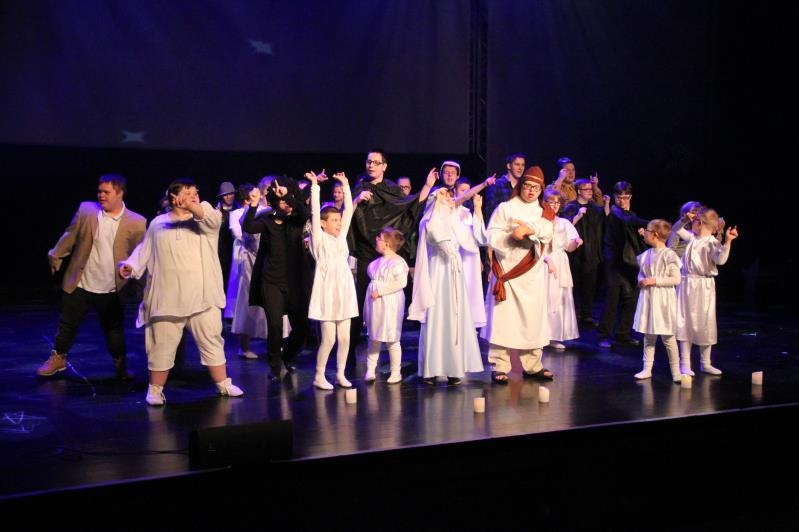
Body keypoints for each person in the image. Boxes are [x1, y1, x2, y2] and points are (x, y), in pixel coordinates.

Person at [119, 178, 244, 406]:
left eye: (195, 192)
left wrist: (191, 206)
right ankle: (155, 390)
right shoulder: (158, 223)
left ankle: (224, 384)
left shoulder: (206, 214)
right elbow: (145, 250)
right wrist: (131, 265)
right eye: (187, 193)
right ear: (173, 197)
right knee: (161, 345)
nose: (193, 196)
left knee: (211, 341)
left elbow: (210, 220)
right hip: (167, 297)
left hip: (202, 296)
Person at [38, 174, 146, 380]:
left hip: (112, 287)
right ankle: (58, 358)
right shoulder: (87, 210)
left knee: (113, 330)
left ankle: (121, 366)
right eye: (99, 191)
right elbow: (70, 235)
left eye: (106, 192)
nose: (101, 195)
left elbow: (141, 254)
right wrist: (56, 255)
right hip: (81, 282)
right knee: (67, 324)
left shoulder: (137, 222)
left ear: (120, 193)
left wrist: (142, 284)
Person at [347, 149, 435, 369]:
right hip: (367, 252)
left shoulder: (392, 190)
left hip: (387, 254)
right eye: (369, 161)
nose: (371, 165)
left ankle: (396, 357)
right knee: (359, 303)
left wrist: (427, 186)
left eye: (376, 162)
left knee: (391, 302)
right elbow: (348, 215)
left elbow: (409, 208)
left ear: (384, 166)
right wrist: (356, 200)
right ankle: (349, 357)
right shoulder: (360, 187)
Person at [481, 166, 555, 384]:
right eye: (527, 186)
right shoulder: (506, 208)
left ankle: (533, 365)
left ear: (541, 190)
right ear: (520, 186)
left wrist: (530, 230)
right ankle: (499, 365)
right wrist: (511, 237)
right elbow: (491, 234)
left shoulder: (544, 212)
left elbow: (548, 231)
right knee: (503, 320)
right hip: (507, 272)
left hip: (531, 275)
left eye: (536, 188)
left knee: (532, 320)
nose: (531, 191)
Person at [409, 187, 483, 385]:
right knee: (438, 316)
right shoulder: (429, 219)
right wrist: (438, 201)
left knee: (454, 316)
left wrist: (477, 210)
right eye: (445, 197)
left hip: (454, 273)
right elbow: (435, 234)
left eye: (451, 197)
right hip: (438, 272)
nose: (450, 200)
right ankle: (432, 369)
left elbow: (476, 240)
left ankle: (453, 368)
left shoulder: (455, 221)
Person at [242, 176, 310, 380]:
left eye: (288, 200)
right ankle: (274, 367)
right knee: (275, 326)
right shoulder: (268, 221)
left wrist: (287, 195)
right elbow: (248, 227)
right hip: (271, 282)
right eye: (280, 201)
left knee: (302, 329)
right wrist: (253, 205)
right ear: (273, 202)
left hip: (295, 283)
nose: (285, 204)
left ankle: (287, 355)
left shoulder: (297, 221)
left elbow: (304, 213)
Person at [306, 170, 359, 390]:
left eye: (339, 220)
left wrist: (346, 185)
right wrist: (315, 186)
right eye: (334, 220)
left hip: (344, 289)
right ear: (323, 223)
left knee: (345, 338)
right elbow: (314, 213)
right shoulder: (319, 239)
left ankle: (340, 373)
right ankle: (319, 375)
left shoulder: (341, 237)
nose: (338, 223)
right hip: (327, 290)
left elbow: (349, 212)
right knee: (329, 338)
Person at [675, 207, 738, 375]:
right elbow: (676, 230)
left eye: (695, 221)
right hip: (687, 283)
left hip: (704, 286)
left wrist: (728, 242)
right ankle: (685, 364)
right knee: (685, 322)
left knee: (705, 322)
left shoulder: (712, 242)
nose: (692, 224)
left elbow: (721, 260)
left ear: (701, 223)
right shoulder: (692, 238)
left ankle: (705, 363)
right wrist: (684, 219)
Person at [597, 181, 649, 349]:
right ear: (614, 197)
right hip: (614, 261)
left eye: (626, 197)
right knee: (612, 299)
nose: (622, 200)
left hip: (629, 262)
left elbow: (633, 233)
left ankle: (623, 334)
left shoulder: (631, 214)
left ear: (630, 197)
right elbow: (628, 221)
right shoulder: (614, 212)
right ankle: (604, 335)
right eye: (619, 197)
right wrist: (651, 224)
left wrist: (641, 233)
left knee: (630, 298)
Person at [632, 219, 682, 382]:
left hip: (663, 300)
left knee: (668, 337)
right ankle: (647, 369)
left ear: (654, 234)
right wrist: (641, 280)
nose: (644, 233)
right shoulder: (647, 254)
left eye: (647, 231)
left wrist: (654, 280)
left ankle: (676, 371)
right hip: (649, 298)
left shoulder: (669, 255)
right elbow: (641, 273)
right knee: (649, 336)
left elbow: (676, 279)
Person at [225, 183, 270, 359]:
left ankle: (274, 343)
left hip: (265, 259)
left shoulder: (265, 211)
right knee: (248, 301)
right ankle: (244, 346)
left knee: (270, 302)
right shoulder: (237, 214)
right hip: (248, 259)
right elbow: (239, 232)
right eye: (253, 195)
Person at [363, 227, 409, 384]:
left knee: (392, 337)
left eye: (379, 238)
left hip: (390, 303)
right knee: (374, 336)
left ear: (387, 243)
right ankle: (370, 369)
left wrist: (381, 291)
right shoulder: (376, 263)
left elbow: (401, 282)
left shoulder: (397, 262)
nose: (376, 240)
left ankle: (396, 372)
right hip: (375, 303)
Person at [561, 178, 605, 329]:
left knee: (590, 286)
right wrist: (578, 216)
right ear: (579, 191)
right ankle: (573, 315)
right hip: (576, 253)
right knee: (575, 286)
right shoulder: (572, 207)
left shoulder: (594, 208)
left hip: (592, 252)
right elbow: (564, 227)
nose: (589, 192)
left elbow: (603, 222)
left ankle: (587, 316)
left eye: (590, 189)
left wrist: (606, 204)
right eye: (586, 189)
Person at [541, 189, 582, 350]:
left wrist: (576, 242)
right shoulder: (538, 220)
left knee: (557, 297)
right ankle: (539, 335)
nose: (555, 205)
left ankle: (553, 335)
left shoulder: (564, 223)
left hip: (559, 261)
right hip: (542, 259)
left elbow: (569, 247)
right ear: (544, 203)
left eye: (557, 202)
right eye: (551, 202)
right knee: (543, 296)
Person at [216, 181, 238, 295]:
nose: (229, 197)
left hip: (236, 250)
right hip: (222, 252)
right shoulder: (216, 212)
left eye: (231, 194)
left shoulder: (239, 209)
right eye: (225, 195)